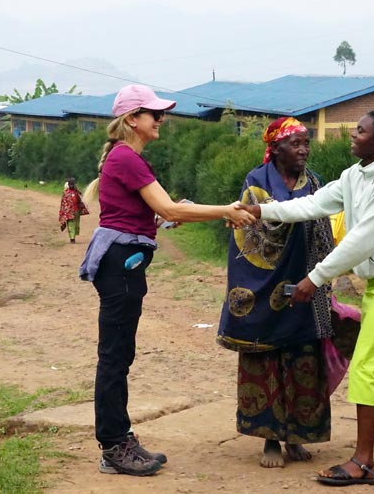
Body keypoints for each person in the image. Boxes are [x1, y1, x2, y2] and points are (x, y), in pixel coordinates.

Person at [235, 110, 374, 486]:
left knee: (368, 368)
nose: (353, 135)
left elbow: (360, 241)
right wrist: (261, 210)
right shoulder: (355, 177)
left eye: (361, 131)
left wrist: (314, 279)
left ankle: (363, 462)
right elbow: (312, 205)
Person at [79, 84, 255, 477]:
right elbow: (168, 206)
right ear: (131, 120)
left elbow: (158, 213)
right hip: (121, 265)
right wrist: (225, 209)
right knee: (114, 357)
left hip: (125, 262)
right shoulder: (127, 158)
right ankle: (112, 446)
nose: (161, 119)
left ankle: (119, 438)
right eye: (153, 113)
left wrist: (177, 215)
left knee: (119, 354)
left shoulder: (125, 157)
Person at [217, 117, 335, 468]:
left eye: (306, 142)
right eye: (295, 143)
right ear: (276, 148)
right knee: (265, 356)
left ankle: (297, 435)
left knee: (304, 359)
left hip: (305, 283)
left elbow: (323, 229)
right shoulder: (257, 182)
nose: (303, 149)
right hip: (263, 283)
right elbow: (249, 237)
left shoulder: (314, 182)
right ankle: (270, 438)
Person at [59, 177, 88, 243]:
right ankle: (72, 239)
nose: (71, 185)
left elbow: (81, 200)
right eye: (70, 184)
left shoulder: (76, 192)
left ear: (74, 184)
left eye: (73, 184)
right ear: (68, 185)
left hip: (76, 211)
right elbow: (63, 204)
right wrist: (63, 214)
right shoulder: (65, 193)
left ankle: (73, 236)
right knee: (70, 224)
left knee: (76, 225)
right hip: (69, 212)